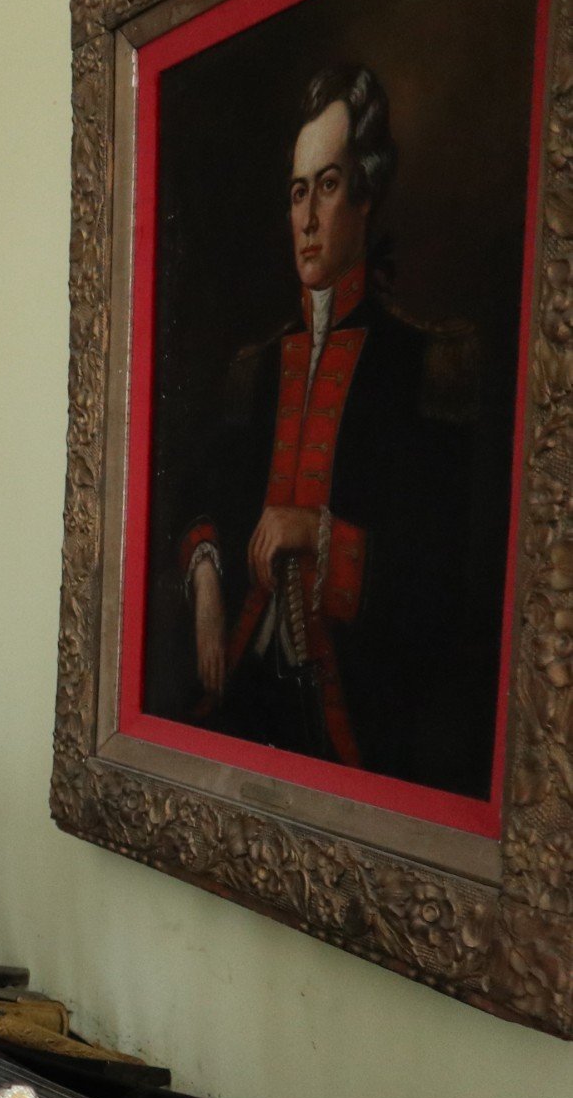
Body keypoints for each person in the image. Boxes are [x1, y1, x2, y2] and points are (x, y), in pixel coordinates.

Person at [170, 63, 491, 793]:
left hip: (358, 721)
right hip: (247, 695)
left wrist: (317, 533)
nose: (309, 218)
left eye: (329, 185)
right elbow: (201, 496)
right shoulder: (255, 368)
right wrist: (208, 578)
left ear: (366, 196)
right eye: (297, 192)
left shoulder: (424, 363)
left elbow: (445, 581)